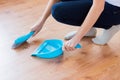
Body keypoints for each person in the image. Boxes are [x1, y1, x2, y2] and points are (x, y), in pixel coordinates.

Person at [31, 0, 120, 51]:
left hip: (115, 10)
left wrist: (77, 38)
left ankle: (112, 25)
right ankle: (89, 29)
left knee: (58, 10)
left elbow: (98, 7)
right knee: (58, 8)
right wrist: (41, 21)